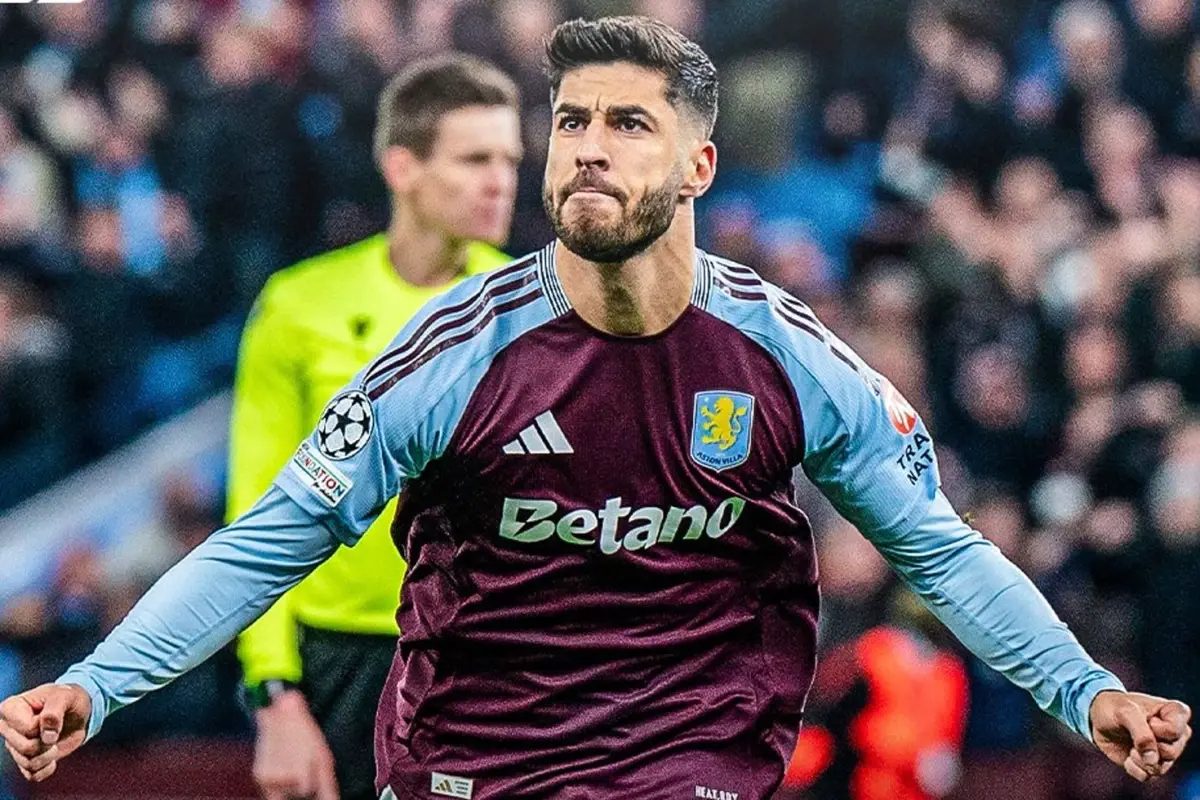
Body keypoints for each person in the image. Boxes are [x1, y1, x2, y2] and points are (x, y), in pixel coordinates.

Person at [0, 16, 1191, 800]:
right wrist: (97, 684)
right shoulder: (453, 356)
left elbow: (941, 547)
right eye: (570, 120)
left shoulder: (786, 355)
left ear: (699, 166)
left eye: (628, 124)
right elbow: (266, 542)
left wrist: (1082, 686)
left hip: (690, 755)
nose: (587, 148)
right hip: (476, 758)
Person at [227, 54, 521, 800]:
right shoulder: (300, 305)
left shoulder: (527, 311)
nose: (500, 181)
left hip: (482, 655)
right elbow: (259, 507)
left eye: (510, 160)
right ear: (403, 167)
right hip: (337, 660)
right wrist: (273, 694)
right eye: (475, 159)